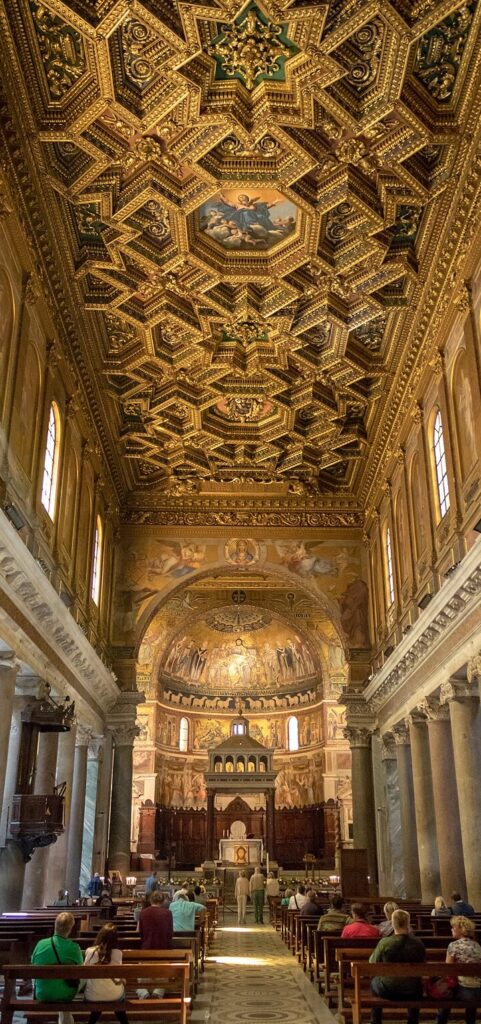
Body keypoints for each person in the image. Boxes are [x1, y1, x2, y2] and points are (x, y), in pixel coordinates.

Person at [369, 909, 425, 1024]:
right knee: (416, 983)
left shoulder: (385, 942)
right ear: (408, 923)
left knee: (374, 981)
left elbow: (372, 963)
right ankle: (413, 1021)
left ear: (393, 924)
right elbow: (423, 964)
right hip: (413, 989)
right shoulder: (418, 943)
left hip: (388, 988)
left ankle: (375, 1020)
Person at [32, 911, 83, 1024]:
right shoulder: (74, 947)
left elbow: (33, 963)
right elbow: (81, 969)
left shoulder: (40, 944)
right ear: (70, 929)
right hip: (66, 994)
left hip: (42, 993)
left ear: (55, 925)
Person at [437, 915, 481, 1024]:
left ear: (461, 929)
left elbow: (448, 969)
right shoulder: (477, 945)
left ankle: (441, 1021)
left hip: (464, 991)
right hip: (478, 990)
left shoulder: (453, 945)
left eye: (453, 927)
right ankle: (470, 1021)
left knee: (446, 993)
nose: (451, 929)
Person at [83, 923, 129, 1024]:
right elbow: (119, 975)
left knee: (99, 992)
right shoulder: (118, 953)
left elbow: (85, 972)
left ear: (100, 936)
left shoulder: (89, 951)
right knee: (115, 994)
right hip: (114, 995)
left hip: (92, 995)